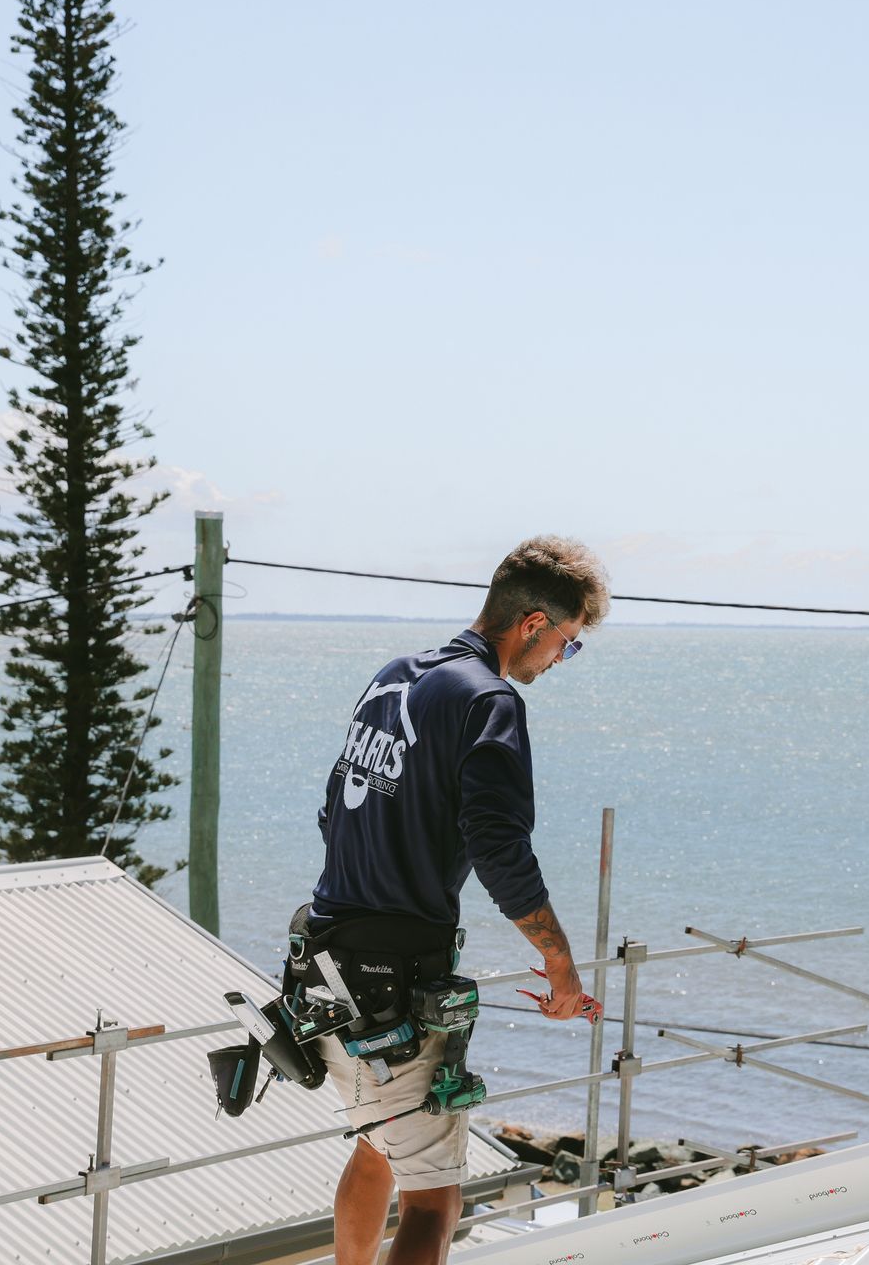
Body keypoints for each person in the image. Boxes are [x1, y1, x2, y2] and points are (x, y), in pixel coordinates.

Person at [306, 535, 609, 1265]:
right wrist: (561, 965)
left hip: (322, 960)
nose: (559, 663)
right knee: (436, 1197)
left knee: (379, 1149)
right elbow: (500, 849)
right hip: (395, 978)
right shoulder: (490, 699)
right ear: (533, 623)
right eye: (567, 645)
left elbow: (331, 811)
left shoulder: (394, 678)